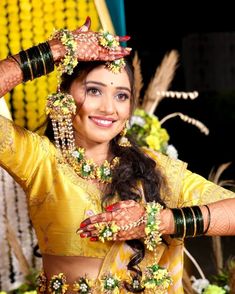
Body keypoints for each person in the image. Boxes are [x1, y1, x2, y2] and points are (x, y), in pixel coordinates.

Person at [0, 17, 234, 294]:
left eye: (122, 96)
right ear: (64, 94)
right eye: (94, 90)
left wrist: (159, 221)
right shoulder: (39, 160)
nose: (109, 108)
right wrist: (54, 51)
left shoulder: (154, 169)